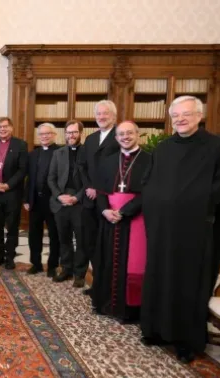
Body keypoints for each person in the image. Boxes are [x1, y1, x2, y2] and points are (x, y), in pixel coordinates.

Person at [140, 96, 220, 363]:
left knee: (187, 282)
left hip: (194, 231)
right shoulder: (163, 148)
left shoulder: (217, 146)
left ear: (199, 116)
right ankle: (156, 329)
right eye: (176, 115)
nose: (180, 119)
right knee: (159, 275)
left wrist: (190, 207)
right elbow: (149, 182)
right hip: (162, 228)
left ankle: (186, 340)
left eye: (186, 114)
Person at [91, 121, 151, 323]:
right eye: (121, 134)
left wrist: (124, 211)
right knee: (107, 259)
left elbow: (149, 193)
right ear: (116, 138)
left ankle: (129, 310)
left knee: (132, 263)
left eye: (129, 133)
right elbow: (99, 191)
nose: (125, 137)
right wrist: (105, 210)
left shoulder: (149, 160)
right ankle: (106, 303)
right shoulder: (108, 161)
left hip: (135, 220)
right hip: (109, 219)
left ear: (137, 134)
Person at [78, 100, 120, 295]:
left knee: (109, 245)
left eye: (105, 114)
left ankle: (110, 287)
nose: (101, 117)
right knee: (91, 243)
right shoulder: (91, 139)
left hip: (110, 200)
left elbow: (119, 169)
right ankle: (97, 284)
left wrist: (98, 189)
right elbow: (82, 167)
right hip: (89, 200)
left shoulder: (120, 136)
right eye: (99, 114)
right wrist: (89, 187)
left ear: (113, 116)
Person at [48, 120, 86, 287]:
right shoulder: (58, 153)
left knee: (81, 240)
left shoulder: (87, 152)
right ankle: (66, 269)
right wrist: (59, 195)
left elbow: (91, 181)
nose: (71, 135)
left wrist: (76, 197)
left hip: (80, 203)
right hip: (61, 202)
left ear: (80, 133)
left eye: (74, 132)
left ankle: (79, 273)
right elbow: (51, 178)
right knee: (64, 239)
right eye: (68, 132)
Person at [0, 116, 28, 270]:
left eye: (5, 126)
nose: (2, 129)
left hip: (12, 192)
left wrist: (8, 185)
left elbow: (23, 169)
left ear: (11, 128)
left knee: (12, 226)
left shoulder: (21, 144)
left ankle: (10, 257)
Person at [24, 123, 61, 277]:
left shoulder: (60, 152)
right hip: (35, 201)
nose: (44, 136)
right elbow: (29, 179)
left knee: (54, 235)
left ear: (54, 135)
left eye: (48, 134)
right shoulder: (33, 154)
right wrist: (26, 199)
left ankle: (52, 266)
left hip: (53, 201)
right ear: (38, 136)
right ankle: (36, 263)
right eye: (41, 134)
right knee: (34, 234)